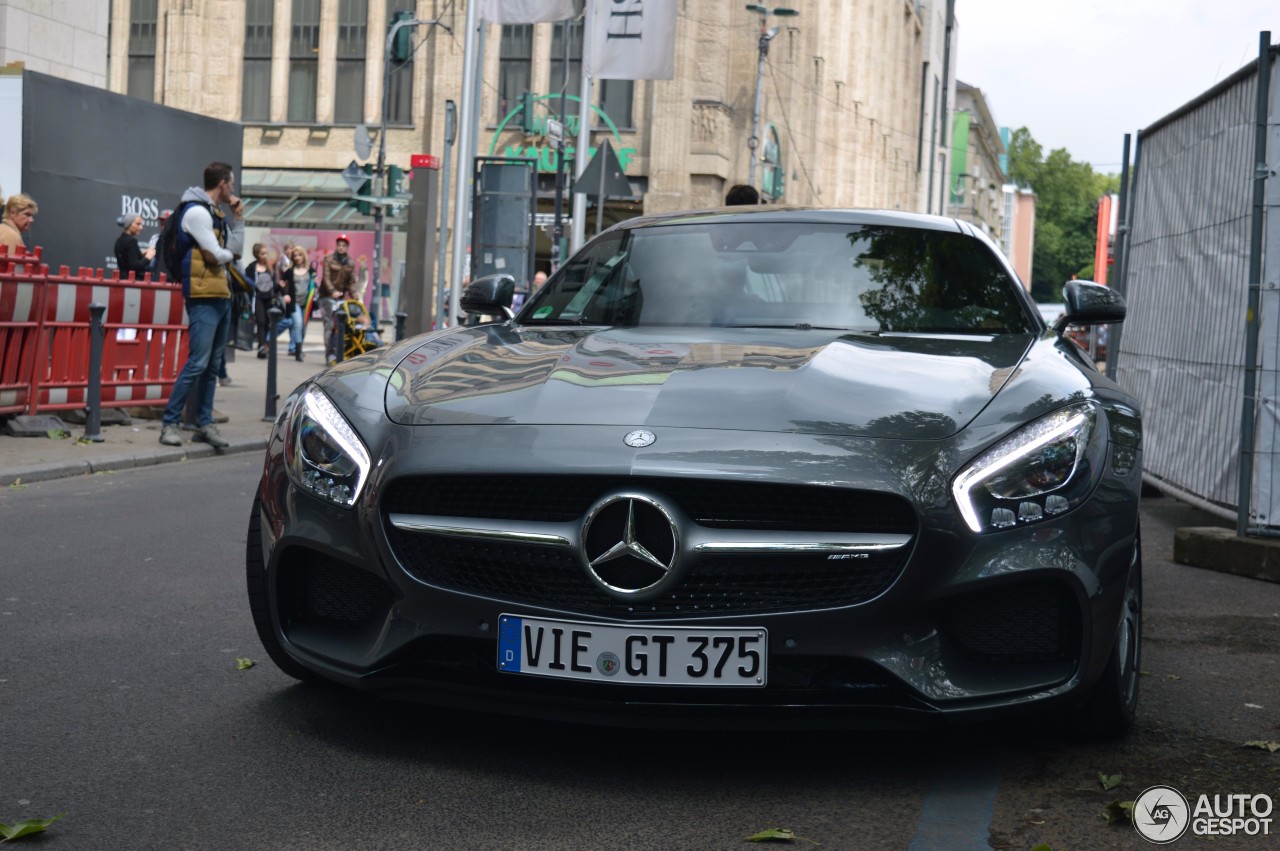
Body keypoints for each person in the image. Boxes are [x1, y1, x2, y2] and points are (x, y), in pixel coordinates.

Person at [158, 162, 245, 449]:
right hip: (203, 296)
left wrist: (238, 219)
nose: (233, 189)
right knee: (197, 363)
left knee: (212, 365)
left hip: (220, 294)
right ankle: (170, 423)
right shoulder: (196, 212)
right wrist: (224, 254)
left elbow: (234, 250)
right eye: (231, 184)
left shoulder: (214, 213)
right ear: (222, 183)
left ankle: (204, 425)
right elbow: (216, 254)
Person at [319, 234, 354, 365]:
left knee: (341, 326)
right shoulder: (329, 259)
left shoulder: (350, 262)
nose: (340, 247)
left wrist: (354, 294)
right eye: (339, 245)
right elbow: (326, 278)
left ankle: (339, 353)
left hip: (340, 298)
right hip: (327, 297)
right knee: (329, 325)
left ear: (347, 247)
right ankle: (329, 355)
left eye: (343, 245)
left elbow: (351, 282)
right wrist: (332, 291)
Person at [244, 243, 277, 358]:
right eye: (262, 253)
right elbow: (246, 282)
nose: (265, 256)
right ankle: (262, 346)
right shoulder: (251, 267)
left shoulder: (270, 267)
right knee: (261, 321)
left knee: (268, 322)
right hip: (257, 298)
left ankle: (264, 344)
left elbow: (275, 283)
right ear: (257, 254)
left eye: (266, 253)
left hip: (269, 298)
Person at [283, 246, 313, 361]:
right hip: (295, 302)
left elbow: (314, 287)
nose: (297, 258)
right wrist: (285, 294)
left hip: (307, 303)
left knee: (303, 327)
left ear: (303, 256)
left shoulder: (311, 271)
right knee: (298, 324)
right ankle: (298, 351)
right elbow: (281, 284)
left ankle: (298, 347)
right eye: (295, 256)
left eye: (300, 255)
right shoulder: (289, 271)